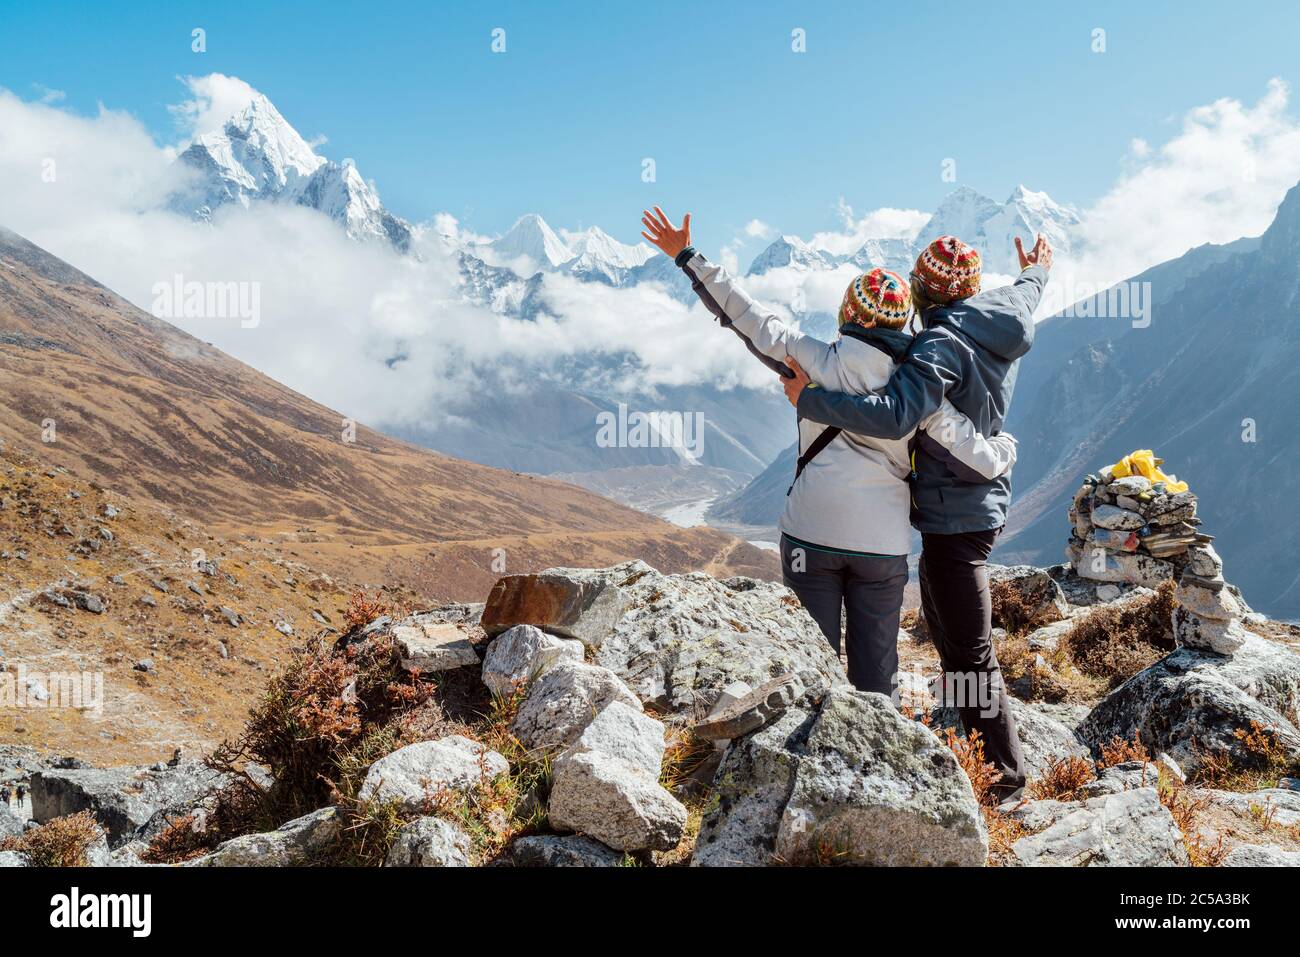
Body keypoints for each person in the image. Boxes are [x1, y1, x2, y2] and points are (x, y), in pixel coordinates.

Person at [640, 207, 1017, 697]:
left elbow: (746, 315)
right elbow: (978, 458)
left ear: (847, 313)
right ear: (903, 320)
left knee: (810, 662)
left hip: (809, 536)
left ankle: (802, 748)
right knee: (877, 674)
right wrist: (1005, 448)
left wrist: (688, 256)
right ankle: (879, 755)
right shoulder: (920, 388)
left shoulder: (809, 359)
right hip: (881, 546)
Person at [779, 231, 1053, 800]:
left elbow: (896, 412)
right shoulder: (1003, 313)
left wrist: (811, 399)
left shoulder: (937, 348)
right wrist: (1037, 271)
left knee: (969, 649)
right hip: (967, 511)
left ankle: (1004, 777)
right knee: (951, 637)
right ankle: (967, 751)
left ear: (922, 293)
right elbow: (1028, 292)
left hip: (957, 515)